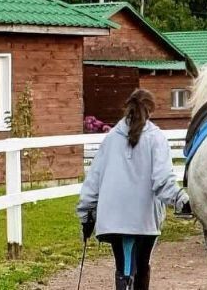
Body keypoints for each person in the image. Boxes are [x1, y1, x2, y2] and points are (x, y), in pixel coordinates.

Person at [77, 89, 191, 290]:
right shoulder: (156, 138)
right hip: (143, 219)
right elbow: (162, 181)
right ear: (151, 110)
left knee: (123, 268)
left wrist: (86, 214)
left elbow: (93, 180)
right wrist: (181, 199)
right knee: (141, 266)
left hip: (112, 218)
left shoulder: (111, 138)